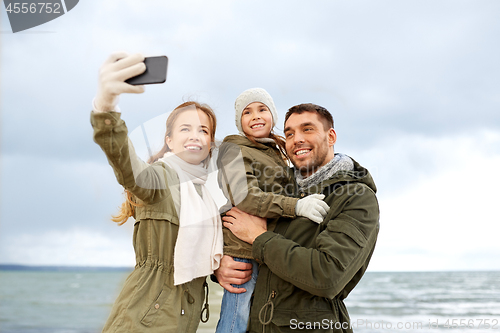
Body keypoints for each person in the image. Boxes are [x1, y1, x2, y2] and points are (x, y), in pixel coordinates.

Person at [216, 103, 380, 333]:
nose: (297, 139)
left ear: (330, 136)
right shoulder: (277, 188)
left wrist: (259, 238)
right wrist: (220, 266)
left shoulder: (357, 197)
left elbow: (327, 276)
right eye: (290, 133)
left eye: (307, 129)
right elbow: (232, 214)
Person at [91, 52, 223, 333]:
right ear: (170, 141)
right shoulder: (162, 178)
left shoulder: (209, 197)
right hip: (143, 320)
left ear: (210, 143)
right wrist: (106, 106)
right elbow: (129, 168)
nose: (194, 135)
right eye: (185, 128)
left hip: (182, 321)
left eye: (203, 130)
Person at [215, 89, 330, 333]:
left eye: (262, 109)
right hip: (242, 249)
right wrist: (297, 206)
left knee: (257, 318)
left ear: (272, 115)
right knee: (236, 318)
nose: (255, 116)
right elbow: (244, 196)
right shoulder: (234, 149)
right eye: (247, 112)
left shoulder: (275, 150)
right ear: (239, 122)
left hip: (265, 245)